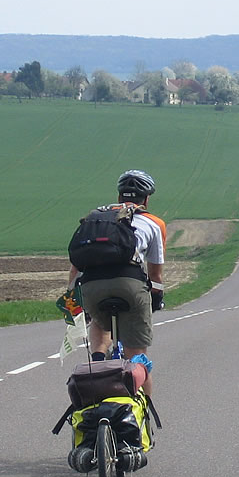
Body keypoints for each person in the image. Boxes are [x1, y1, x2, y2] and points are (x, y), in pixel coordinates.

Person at [67, 169, 166, 396]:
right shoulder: (154, 223)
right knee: (138, 357)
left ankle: (98, 360)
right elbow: (156, 275)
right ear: (147, 199)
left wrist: (72, 299)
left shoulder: (96, 218)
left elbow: (76, 266)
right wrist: (156, 300)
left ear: (119, 196)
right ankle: (144, 422)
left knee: (100, 324)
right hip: (129, 284)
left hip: (90, 284)